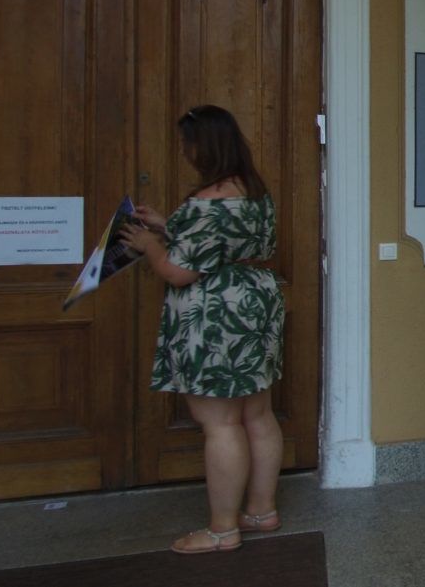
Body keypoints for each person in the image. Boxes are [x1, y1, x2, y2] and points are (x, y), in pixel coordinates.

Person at [120, 105, 286, 554]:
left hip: (215, 316)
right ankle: (260, 510)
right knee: (257, 414)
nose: (184, 151)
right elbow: (221, 244)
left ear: (201, 146)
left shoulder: (205, 202)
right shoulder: (254, 191)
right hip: (255, 305)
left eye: (186, 144)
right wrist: (168, 225)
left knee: (220, 422)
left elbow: (179, 272)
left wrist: (151, 244)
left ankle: (221, 530)